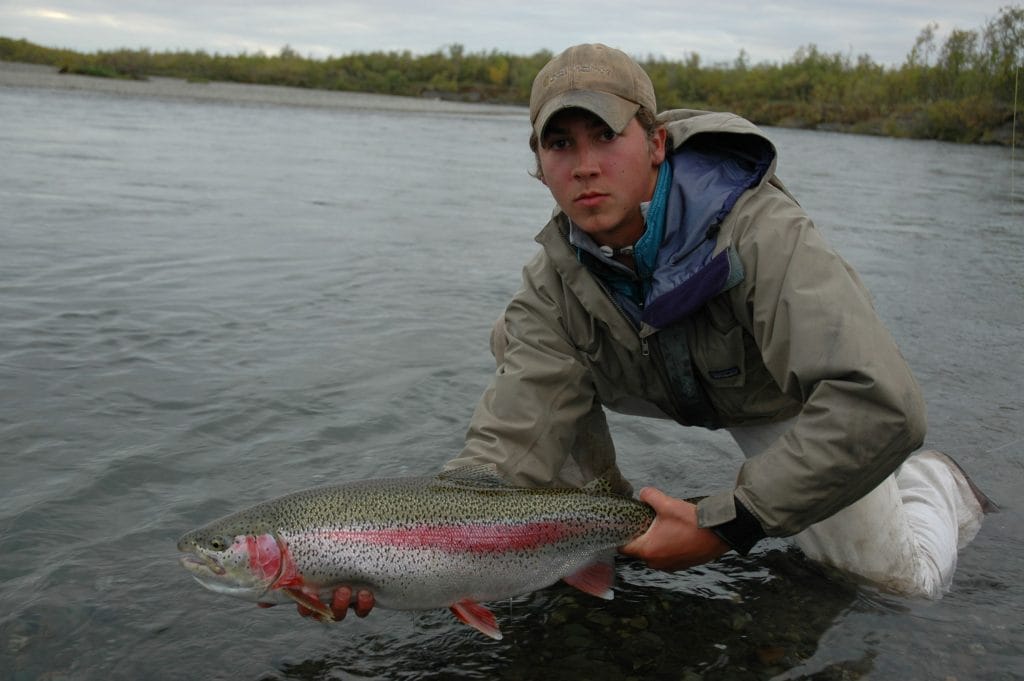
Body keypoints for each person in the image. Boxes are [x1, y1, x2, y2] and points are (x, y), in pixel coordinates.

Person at [286, 42, 994, 622]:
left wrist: (726, 520)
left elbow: (883, 403)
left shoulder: (761, 231)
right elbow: (506, 446)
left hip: (779, 401)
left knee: (904, 582)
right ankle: (606, 522)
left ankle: (933, 483)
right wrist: (415, 550)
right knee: (513, 336)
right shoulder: (554, 281)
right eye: (560, 143)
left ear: (655, 143)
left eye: (605, 135)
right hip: (667, 382)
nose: (585, 163)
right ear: (539, 167)